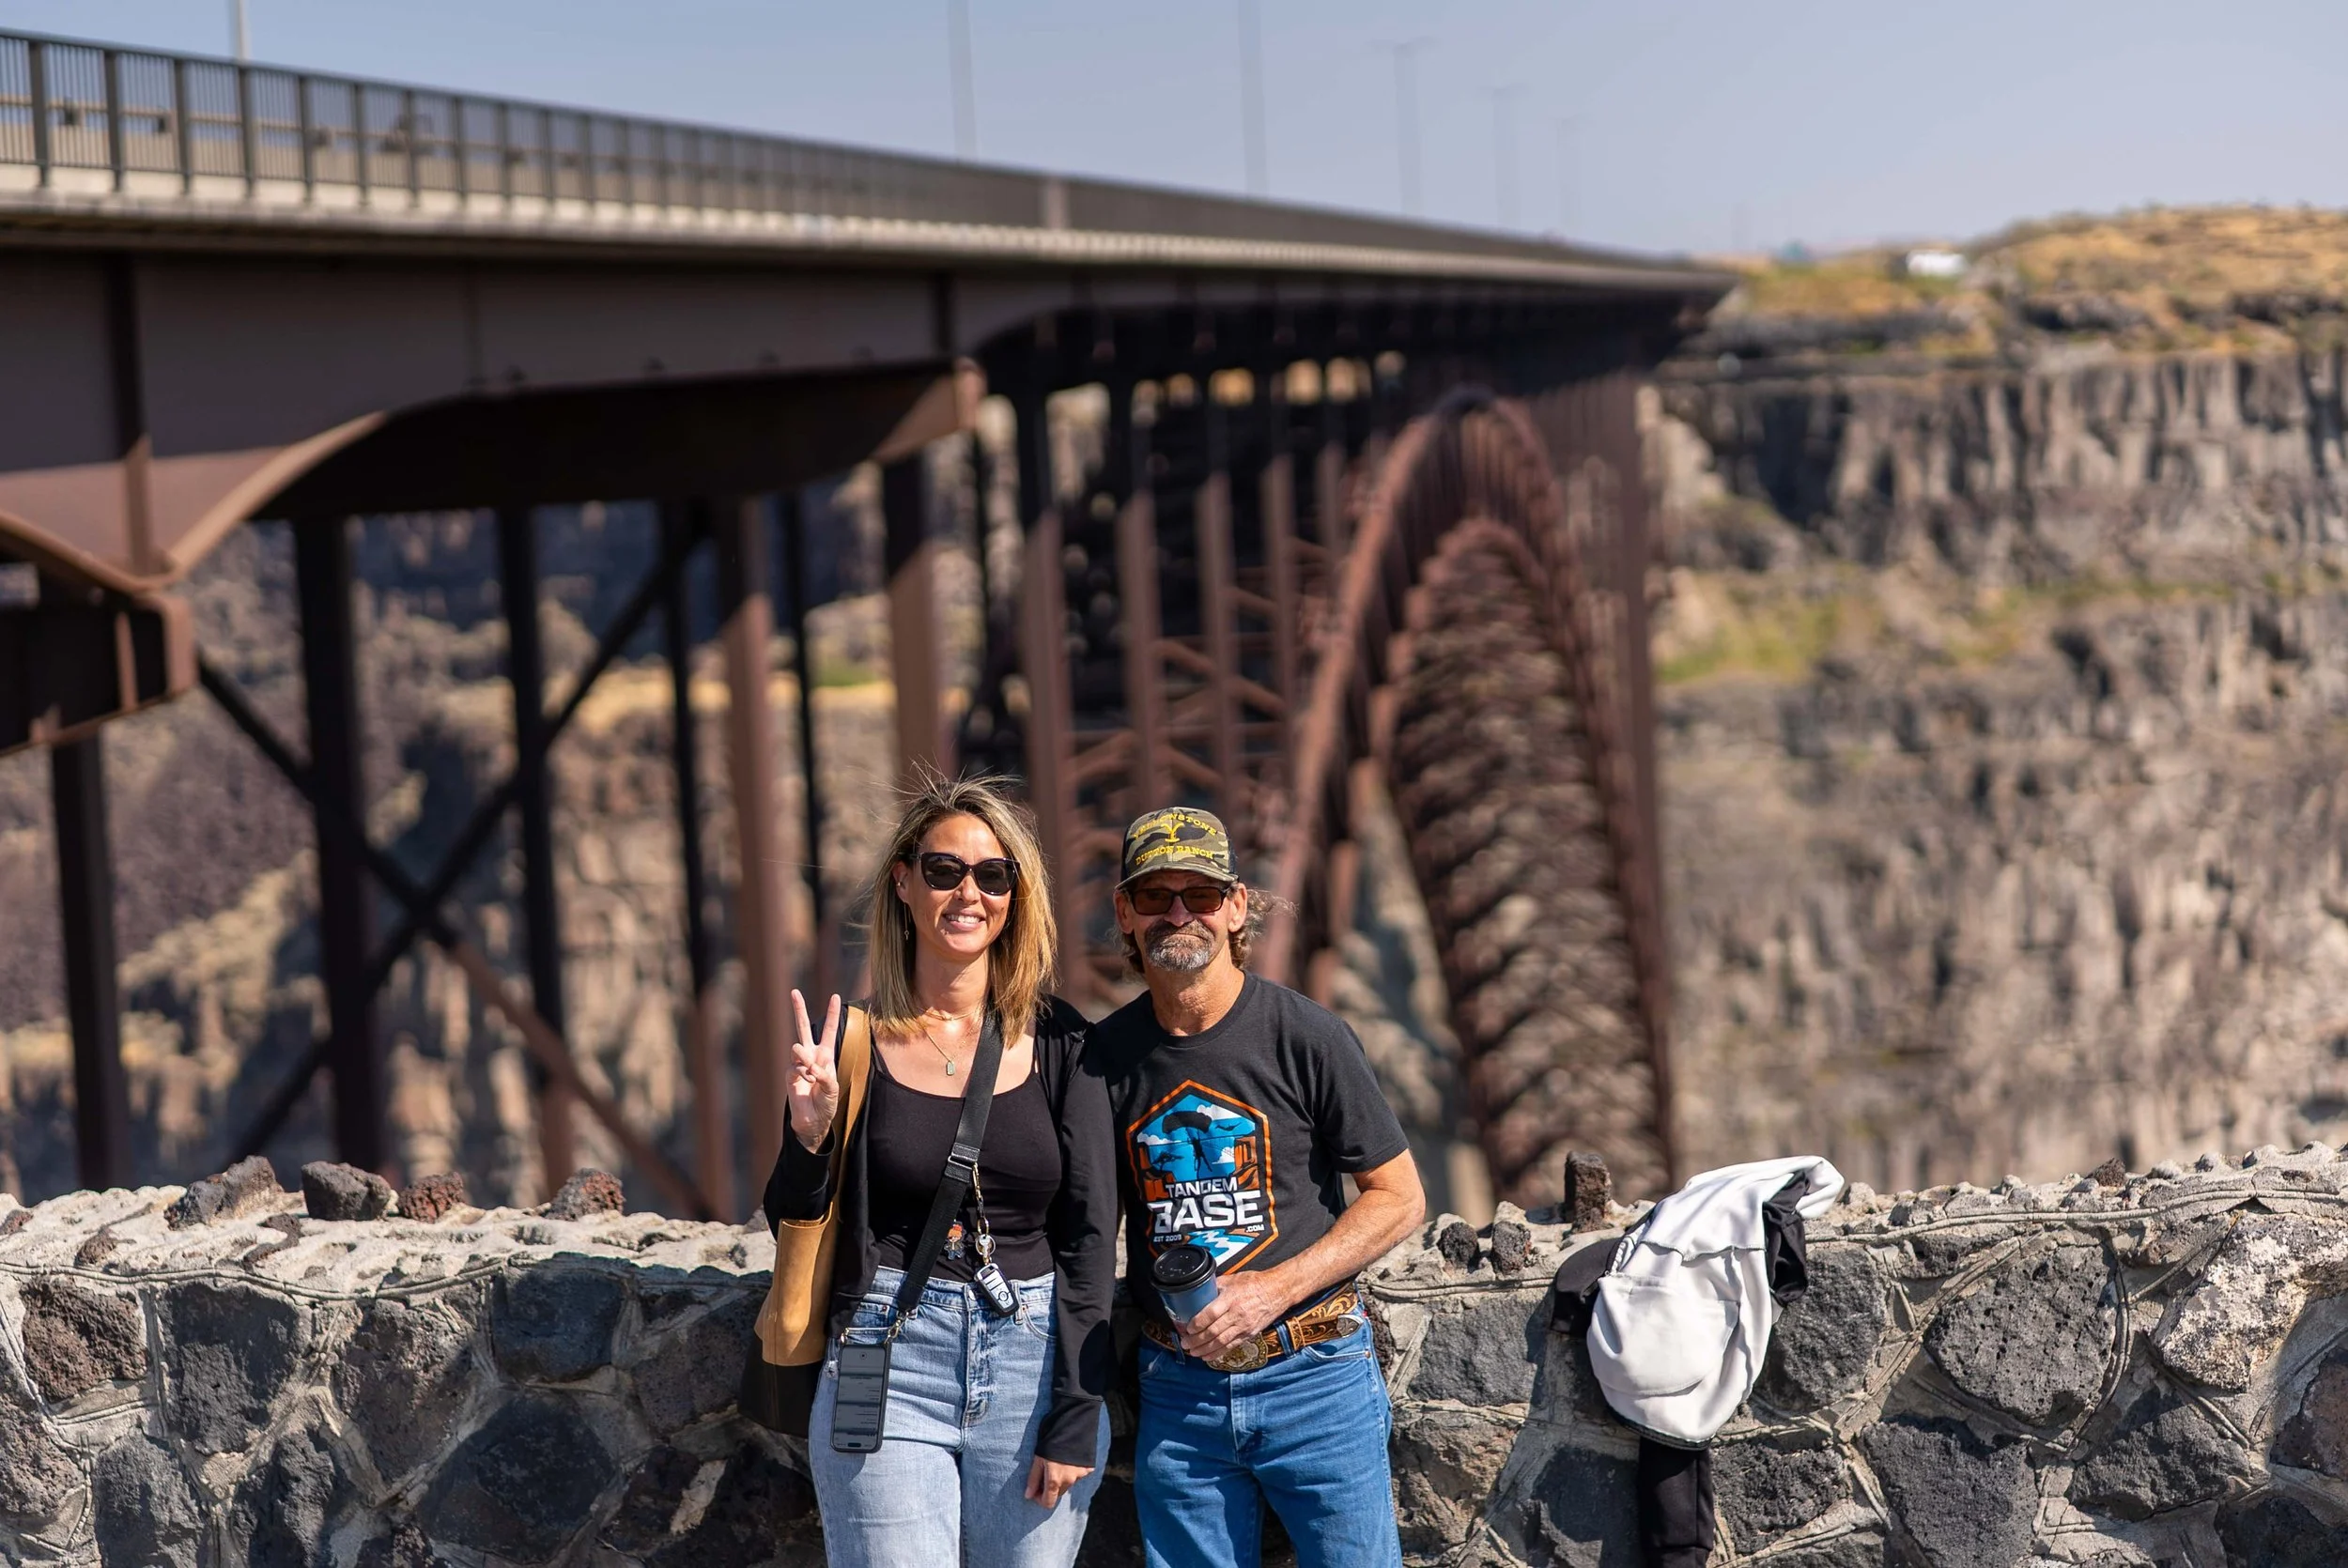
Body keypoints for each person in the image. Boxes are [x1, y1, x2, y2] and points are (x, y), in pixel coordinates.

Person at [765, 776, 1116, 1568]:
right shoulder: (851, 1043)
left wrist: (1076, 1410)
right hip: (887, 1351)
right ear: (903, 881)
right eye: (944, 870)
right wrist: (810, 1138)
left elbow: (1091, 1238)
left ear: (1015, 897)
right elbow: (788, 1217)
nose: (968, 893)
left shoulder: (1063, 1043)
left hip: (1030, 1361)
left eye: (993, 875)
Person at [1089, 806, 1428, 1568]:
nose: (1180, 914)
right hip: (1177, 1390)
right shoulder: (1104, 1057)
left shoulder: (1306, 1035)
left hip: (1317, 1377)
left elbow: (1400, 1196)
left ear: (1237, 906)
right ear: (1126, 911)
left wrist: (1272, 1290)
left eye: (1202, 895)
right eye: (1156, 895)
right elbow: (1081, 1221)